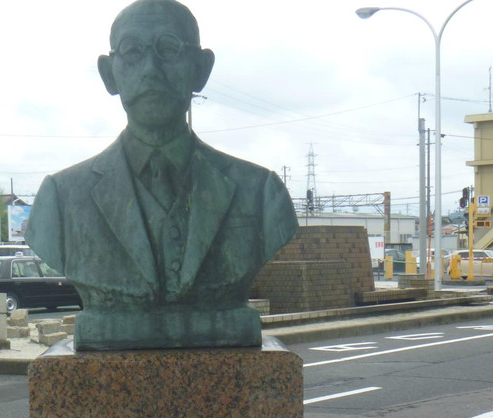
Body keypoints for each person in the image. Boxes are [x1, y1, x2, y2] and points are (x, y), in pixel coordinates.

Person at [26, 0, 296, 350]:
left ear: (201, 69)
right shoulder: (60, 199)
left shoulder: (261, 193)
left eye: (168, 49)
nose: (151, 69)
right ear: (109, 73)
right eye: (133, 51)